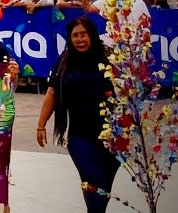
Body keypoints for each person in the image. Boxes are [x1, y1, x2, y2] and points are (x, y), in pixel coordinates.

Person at [37, 17, 119, 213]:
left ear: (91, 35)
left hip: (113, 135)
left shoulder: (110, 58)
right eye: (75, 35)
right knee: (92, 181)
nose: (80, 39)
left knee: (104, 185)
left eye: (84, 34)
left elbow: (128, 90)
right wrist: (41, 125)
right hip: (80, 135)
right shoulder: (64, 61)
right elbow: (52, 93)